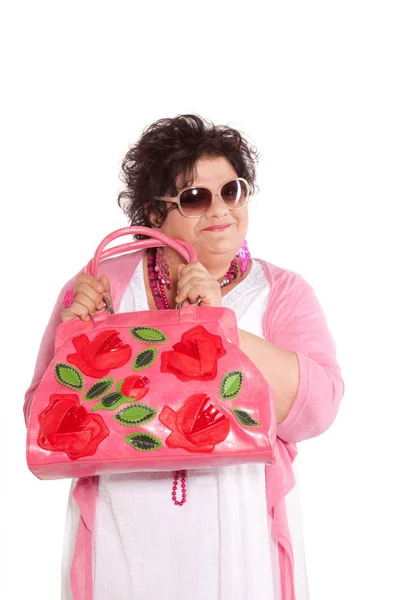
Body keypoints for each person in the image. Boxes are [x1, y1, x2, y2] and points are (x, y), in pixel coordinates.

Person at [24, 114, 345, 600]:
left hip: (239, 541)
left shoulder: (281, 293)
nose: (220, 210)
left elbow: (317, 409)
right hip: (121, 537)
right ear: (155, 214)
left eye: (232, 191)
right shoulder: (99, 284)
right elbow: (41, 420)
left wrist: (222, 324)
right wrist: (77, 336)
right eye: (196, 197)